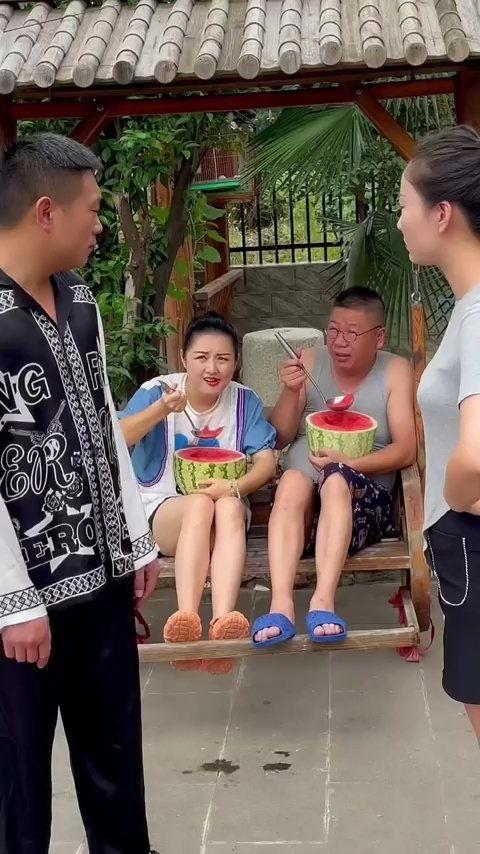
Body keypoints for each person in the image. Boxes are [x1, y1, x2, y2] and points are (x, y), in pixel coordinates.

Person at [0, 134, 161, 854]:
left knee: (116, 760)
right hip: (20, 606)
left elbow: (101, 418)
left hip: (102, 578)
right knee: (17, 784)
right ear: (46, 212)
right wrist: (15, 602)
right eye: (93, 211)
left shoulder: (80, 299)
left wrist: (136, 538)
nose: (100, 226)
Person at [252, 287, 416, 647]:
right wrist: (291, 391)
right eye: (334, 330)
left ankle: (323, 601)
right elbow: (280, 437)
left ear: (379, 337)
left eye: (352, 333)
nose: (339, 342)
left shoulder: (395, 370)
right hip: (302, 515)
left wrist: (348, 463)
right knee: (292, 482)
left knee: (337, 481)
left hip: (360, 510)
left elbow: (406, 450)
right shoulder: (311, 360)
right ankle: (281, 605)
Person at [120, 311, 277, 673]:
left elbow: (266, 461)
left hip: (225, 520)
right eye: (202, 357)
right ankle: (187, 619)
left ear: (236, 363)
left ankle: (223, 623)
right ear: (183, 358)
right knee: (199, 505)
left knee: (230, 507)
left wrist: (234, 486)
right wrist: (161, 410)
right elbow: (118, 437)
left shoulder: (244, 401)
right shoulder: (157, 391)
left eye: (223, 358)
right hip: (163, 512)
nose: (212, 368)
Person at [398, 124, 480, 744]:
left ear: (442, 214)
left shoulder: (477, 314)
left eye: (405, 206)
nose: (401, 221)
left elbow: (474, 456)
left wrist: (451, 501)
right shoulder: (466, 306)